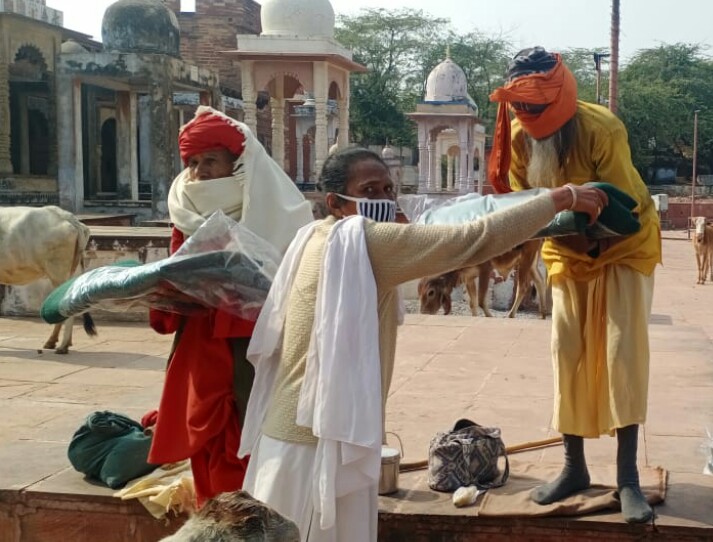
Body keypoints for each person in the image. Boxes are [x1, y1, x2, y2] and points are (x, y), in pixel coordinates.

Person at [239, 146, 608, 541]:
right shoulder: (365, 241)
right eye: (369, 190)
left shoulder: (314, 237)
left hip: (282, 438)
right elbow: (474, 238)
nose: (382, 200)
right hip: (318, 448)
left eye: (387, 189)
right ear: (335, 201)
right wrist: (557, 198)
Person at [488, 47, 662, 523]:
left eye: (538, 105)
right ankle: (574, 468)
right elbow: (527, 205)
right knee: (567, 353)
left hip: (623, 248)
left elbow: (624, 209)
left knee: (621, 355)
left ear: (562, 93)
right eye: (521, 107)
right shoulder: (521, 137)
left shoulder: (601, 128)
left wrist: (589, 235)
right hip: (566, 251)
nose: (529, 115)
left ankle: (628, 479)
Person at [146, 106, 314, 507]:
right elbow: (176, 272)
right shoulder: (184, 210)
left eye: (211, 161)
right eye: (193, 163)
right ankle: (215, 514)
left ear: (236, 164)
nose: (200, 172)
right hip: (200, 342)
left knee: (250, 428)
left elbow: (296, 279)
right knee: (205, 433)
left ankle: (257, 514)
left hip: (255, 343)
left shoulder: (280, 210)